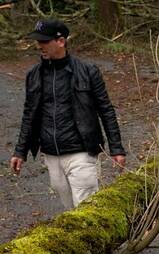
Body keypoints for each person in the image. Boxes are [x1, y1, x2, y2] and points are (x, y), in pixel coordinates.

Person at [9, 18, 126, 209]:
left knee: (86, 207)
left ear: (61, 41)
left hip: (81, 151)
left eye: (44, 41)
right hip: (51, 152)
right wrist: (20, 151)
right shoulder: (34, 75)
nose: (39, 45)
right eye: (38, 41)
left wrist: (117, 148)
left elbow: (106, 109)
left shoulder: (88, 71)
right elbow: (29, 114)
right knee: (69, 208)